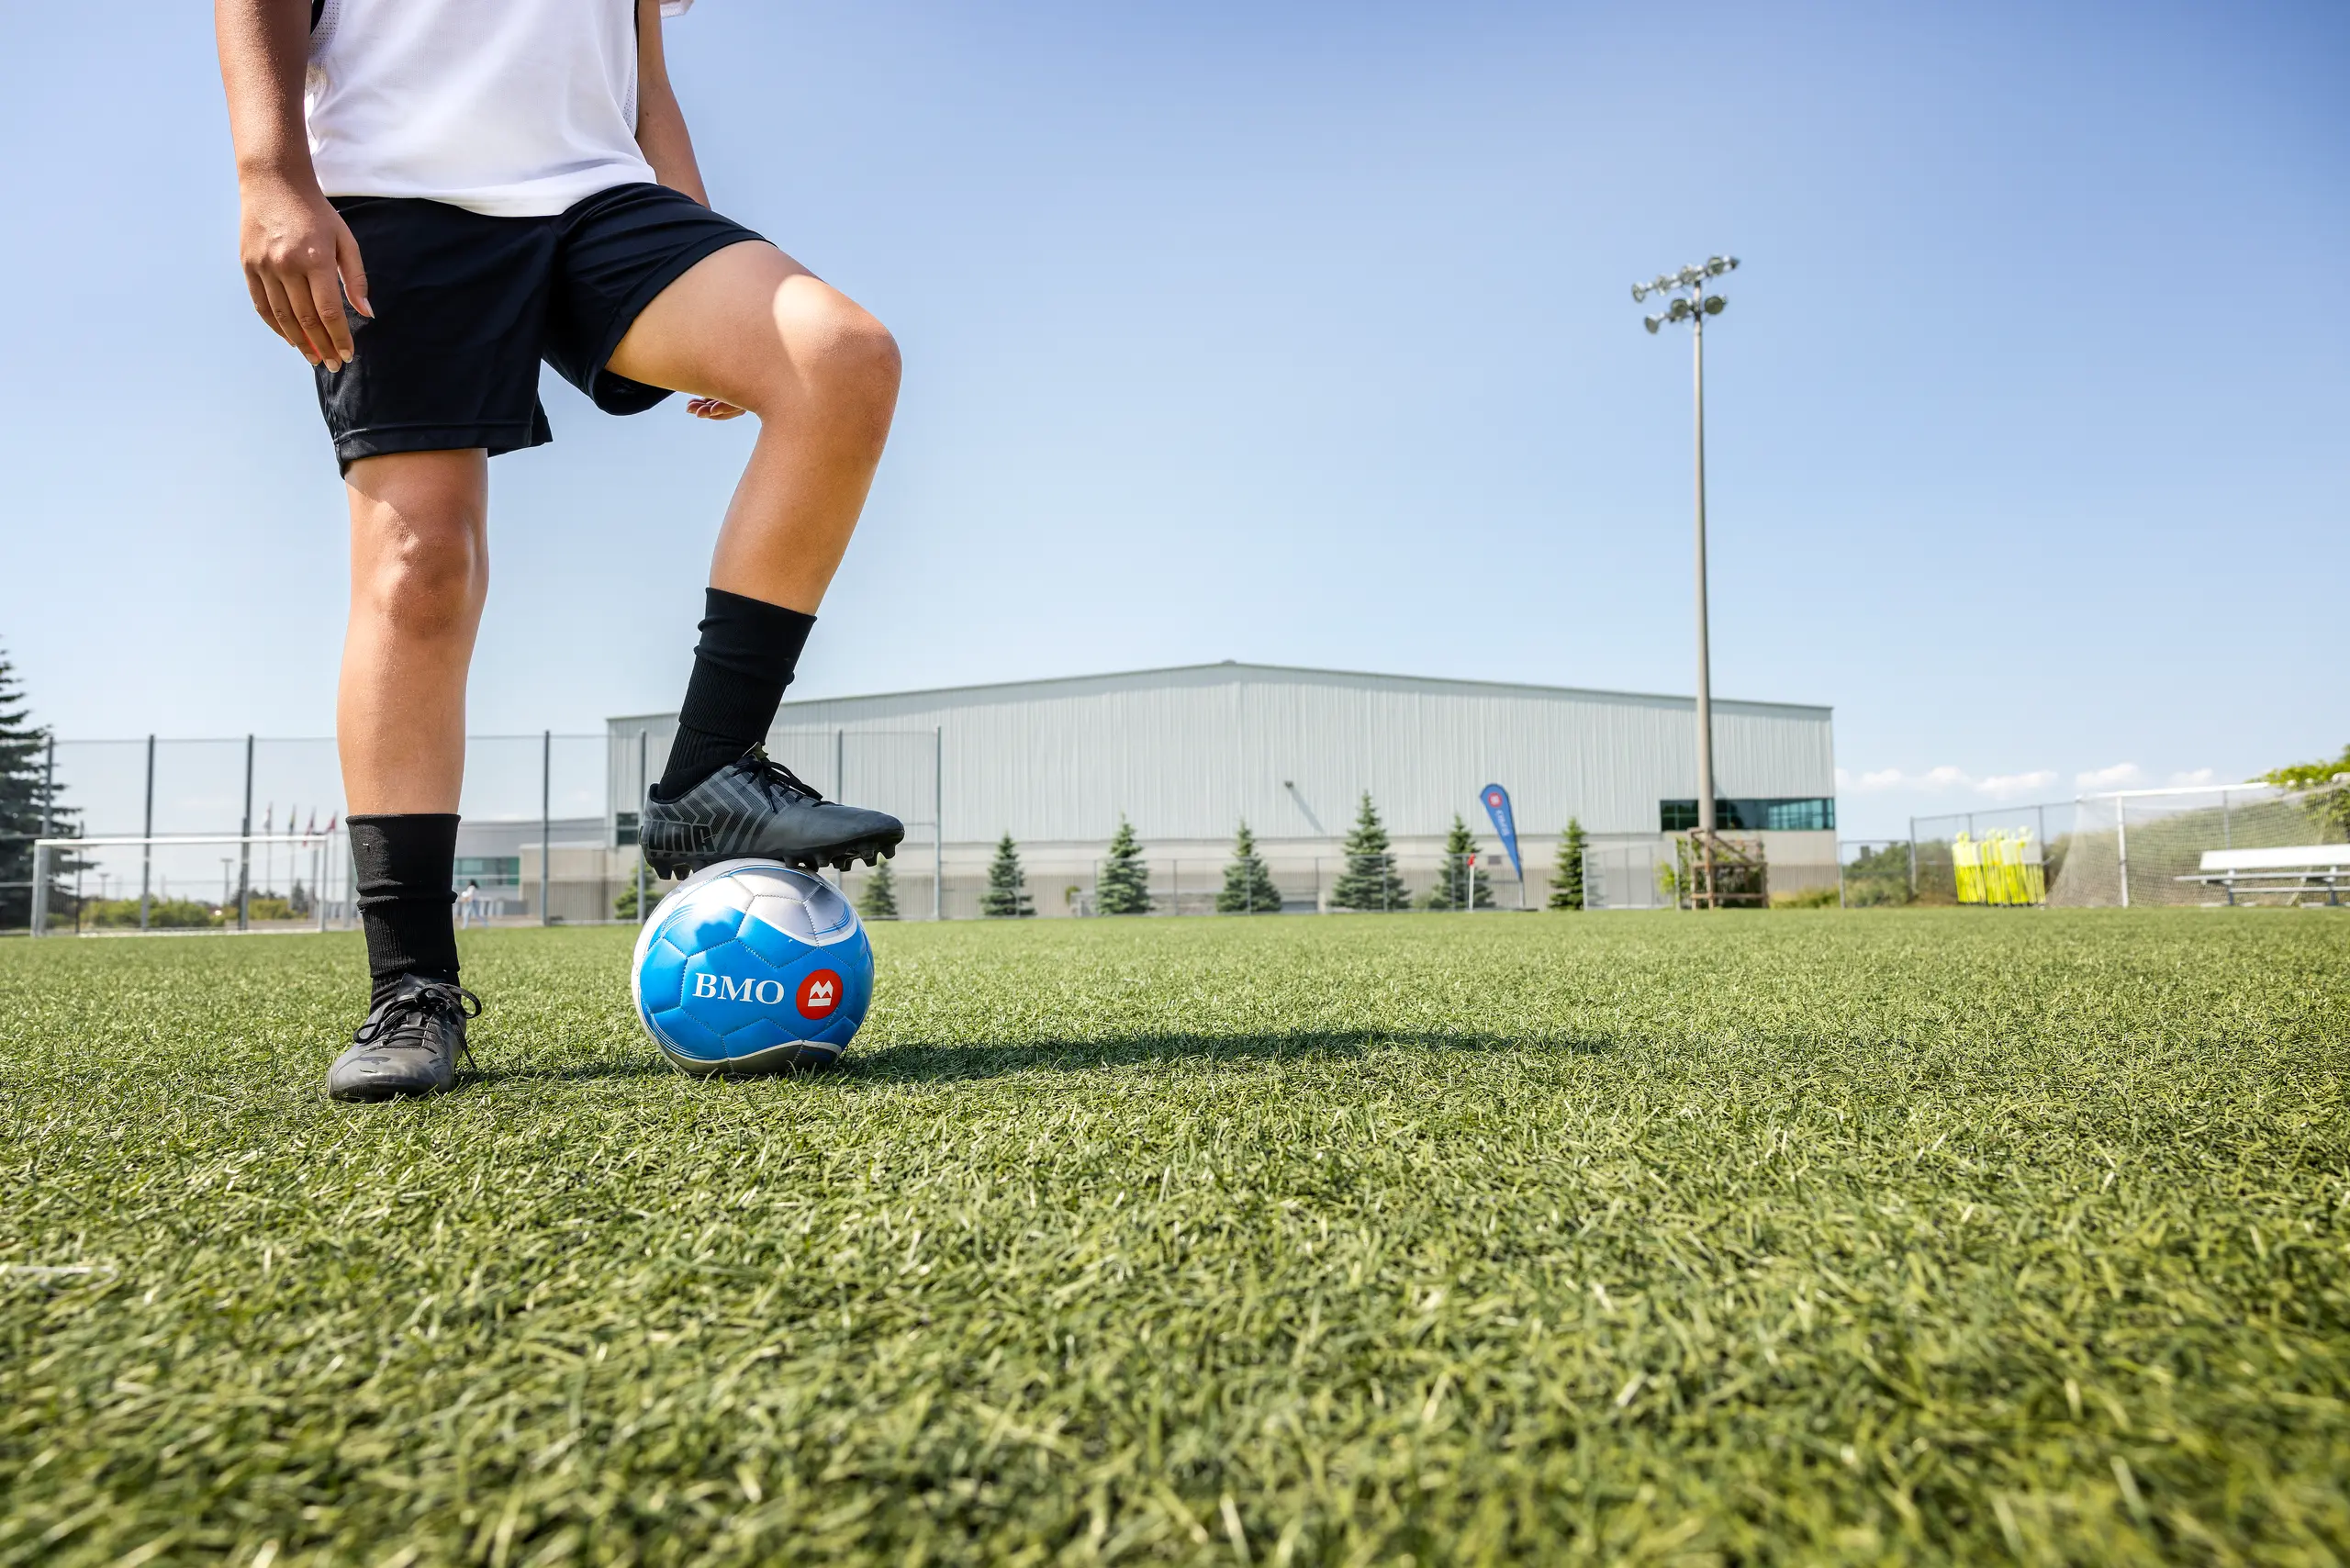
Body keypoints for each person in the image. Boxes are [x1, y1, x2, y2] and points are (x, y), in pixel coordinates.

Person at [215, 0, 905, 1102]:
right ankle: (413, 988)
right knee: (422, 562)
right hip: (393, 195)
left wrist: (697, 235)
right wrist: (269, 171)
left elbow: (641, 62)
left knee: (840, 357)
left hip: (598, 195)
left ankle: (707, 775)